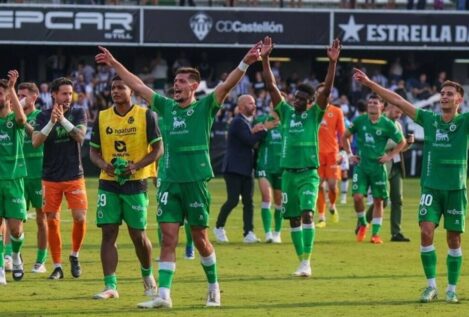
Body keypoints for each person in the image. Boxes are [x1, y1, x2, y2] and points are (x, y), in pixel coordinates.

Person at [95, 42, 262, 308]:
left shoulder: (206, 106)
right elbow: (137, 85)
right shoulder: (166, 107)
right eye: (175, 81)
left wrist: (245, 62)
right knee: (168, 238)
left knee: (200, 240)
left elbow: (227, 85)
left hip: (195, 183)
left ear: (194, 86)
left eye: (182, 81)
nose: (177, 85)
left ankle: (213, 288)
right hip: (168, 182)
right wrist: (114, 63)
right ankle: (163, 295)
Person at [354, 68, 468, 303]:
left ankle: (452, 288)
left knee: (454, 239)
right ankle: (431, 286)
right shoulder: (430, 119)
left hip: (456, 189)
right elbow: (398, 101)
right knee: (426, 233)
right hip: (431, 188)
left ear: (460, 99)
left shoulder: (465, 122)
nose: (444, 96)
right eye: (442, 93)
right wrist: (370, 84)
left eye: (449, 94)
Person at [261, 36, 341, 277]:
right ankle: (301, 261)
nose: (295, 101)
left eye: (300, 99)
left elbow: (326, 90)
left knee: (308, 213)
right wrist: (265, 59)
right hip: (288, 175)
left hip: (308, 174)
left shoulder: (315, 114)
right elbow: (271, 86)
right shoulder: (285, 113)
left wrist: (332, 64)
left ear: (309, 103)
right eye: (294, 97)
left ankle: (307, 261)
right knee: (293, 219)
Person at [90, 76, 163, 299]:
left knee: (137, 235)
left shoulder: (146, 115)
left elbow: (158, 149)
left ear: (132, 91)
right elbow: (93, 151)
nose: (116, 91)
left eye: (121, 87)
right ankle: (110, 285)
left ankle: (147, 274)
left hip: (136, 182)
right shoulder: (102, 117)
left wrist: (135, 166)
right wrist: (105, 166)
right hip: (109, 182)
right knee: (108, 232)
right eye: (113, 88)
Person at [32, 77, 88, 280]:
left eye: (70, 93)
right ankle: (57, 266)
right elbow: (36, 142)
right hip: (50, 177)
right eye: (64, 93)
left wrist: (62, 120)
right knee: (52, 221)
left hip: (74, 175)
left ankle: (74, 255)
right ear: (53, 94)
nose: (68, 97)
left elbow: (80, 137)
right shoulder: (42, 116)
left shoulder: (78, 112)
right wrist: (51, 123)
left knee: (80, 218)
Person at [342, 94, 405, 244]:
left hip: (378, 168)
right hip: (362, 166)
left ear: (381, 106)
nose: (371, 104)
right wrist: (350, 154)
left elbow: (401, 142)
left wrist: (389, 156)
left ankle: (375, 234)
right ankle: (363, 222)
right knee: (357, 197)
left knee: (378, 201)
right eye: (370, 102)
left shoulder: (387, 124)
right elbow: (344, 136)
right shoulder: (360, 120)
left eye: (375, 102)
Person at [214, 94, 275, 243]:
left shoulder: (247, 122)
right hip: (234, 168)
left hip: (246, 168)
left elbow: (250, 139)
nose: (253, 106)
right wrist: (264, 130)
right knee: (233, 200)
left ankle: (249, 233)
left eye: (254, 103)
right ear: (240, 107)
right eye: (250, 103)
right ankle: (219, 227)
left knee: (248, 201)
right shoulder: (237, 122)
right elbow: (249, 141)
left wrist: (256, 130)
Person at [364, 102, 414, 242]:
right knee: (383, 200)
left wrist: (408, 144)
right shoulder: (378, 123)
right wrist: (398, 144)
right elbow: (376, 146)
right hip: (380, 166)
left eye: (400, 113)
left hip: (396, 166)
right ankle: (363, 222)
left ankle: (396, 232)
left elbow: (399, 149)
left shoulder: (398, 125)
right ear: (387, 108)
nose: (398, 115)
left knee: (398, 199)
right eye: (396, 111)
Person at [0, 70, 27, 285]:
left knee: (16, 229)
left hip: (15, 180)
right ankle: (0, 268)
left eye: (1, 93)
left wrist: (12, 89)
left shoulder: (14, 121)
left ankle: (16, 256)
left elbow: (21, 118)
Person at [18, 82, 48, 273]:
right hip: (17, 173)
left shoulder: (43, 117)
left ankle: (40, 260)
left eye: (23, 95)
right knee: (13, 217)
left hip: (38, 173)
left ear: (34, 97)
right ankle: (12, 257)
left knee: (41, 217)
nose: (20, 98)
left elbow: (37, 139)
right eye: (18, 94)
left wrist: (23, 121)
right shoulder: (10, 118)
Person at [254, 110, 283, 243]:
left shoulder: (288, 122)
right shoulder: (262, 119)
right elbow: (252, 136)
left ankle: (277, 232)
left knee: (279, 201)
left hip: (281, 167)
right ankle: (268, 234)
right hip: (264, 166)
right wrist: (262, 128)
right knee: (266, 196)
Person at [316, 99, 345, 228]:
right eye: (319, 94)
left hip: (333, 153)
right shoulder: (312, 110)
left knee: (332, 185)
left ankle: (332, 206)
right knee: (318, 185)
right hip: (316, 154)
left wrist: (343, 152)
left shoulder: (337, 111)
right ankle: (321, 217)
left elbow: (342, 133)